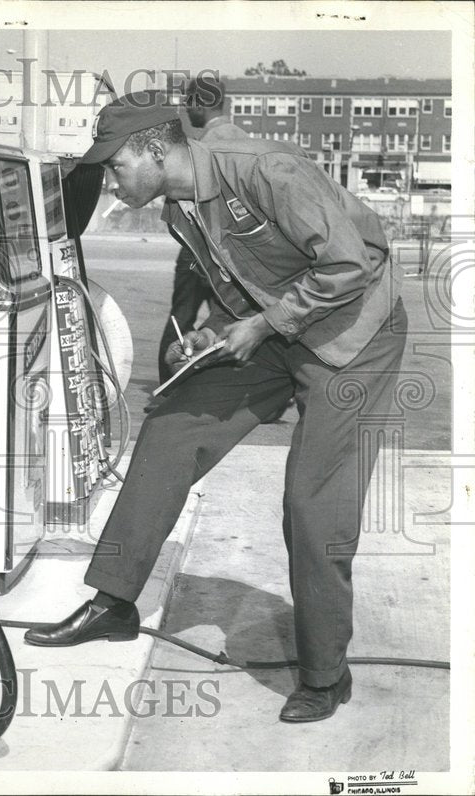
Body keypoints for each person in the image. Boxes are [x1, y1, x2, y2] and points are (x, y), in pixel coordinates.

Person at [23, 91, 406, 724]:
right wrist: (216, 329)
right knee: (171, 428)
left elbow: (347, 266)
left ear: (153, 148)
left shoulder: (266, 170)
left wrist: (262, 324)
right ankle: (114, 603)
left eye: (115, 168)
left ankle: (324, 674)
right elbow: (241, 283)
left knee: (313, 504)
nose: (113, 187)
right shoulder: (179, 210)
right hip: (278, 330)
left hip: (354, 337)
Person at [156, 76, 245, 388]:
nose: (186, 109)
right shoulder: (243, 139)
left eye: (188, 102)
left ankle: (170, 384)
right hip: (235, 250)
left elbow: (179, 203)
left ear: (199, 104)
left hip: (200, 248)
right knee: (235, 316)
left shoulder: (200, 147)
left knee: (181, 317)